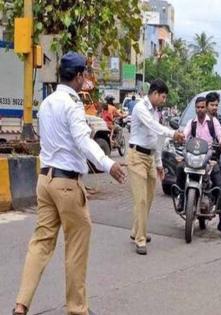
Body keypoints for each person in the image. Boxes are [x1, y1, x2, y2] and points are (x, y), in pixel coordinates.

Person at [12, 52, 127, 315]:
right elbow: (83, 140)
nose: (86, 79)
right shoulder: (72, 103)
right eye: (84, 74)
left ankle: (21, 305)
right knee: (76, 247)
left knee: (40, 243)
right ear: (77, 76)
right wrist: (108, 164)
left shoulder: (47, 102)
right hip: (66, 185)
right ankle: (77, 309)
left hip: (45, 181)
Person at [128, 79, 184, 255]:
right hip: (136, 156)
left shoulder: (156, 112)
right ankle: (140, 240)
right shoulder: (140, 108)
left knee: (149, 198)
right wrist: (173, 133)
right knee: (141, 199)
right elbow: (154, 127)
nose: (164, 100)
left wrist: (159, 164)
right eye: (163, 96)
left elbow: (157, 140)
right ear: (154, 93)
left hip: (150, 158)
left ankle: (137, 230)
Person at [176, 97, 221, 236]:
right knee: (180, 168)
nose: (200, 109)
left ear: (205, 108)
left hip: (209, 158)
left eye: (202, 107)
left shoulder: (213, 122)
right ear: (195, 108)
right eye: (198, 107)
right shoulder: (191, 123)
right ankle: (182, 197)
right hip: (193, 157)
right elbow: (185, 134)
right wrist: (180, 137)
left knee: (218, 185)